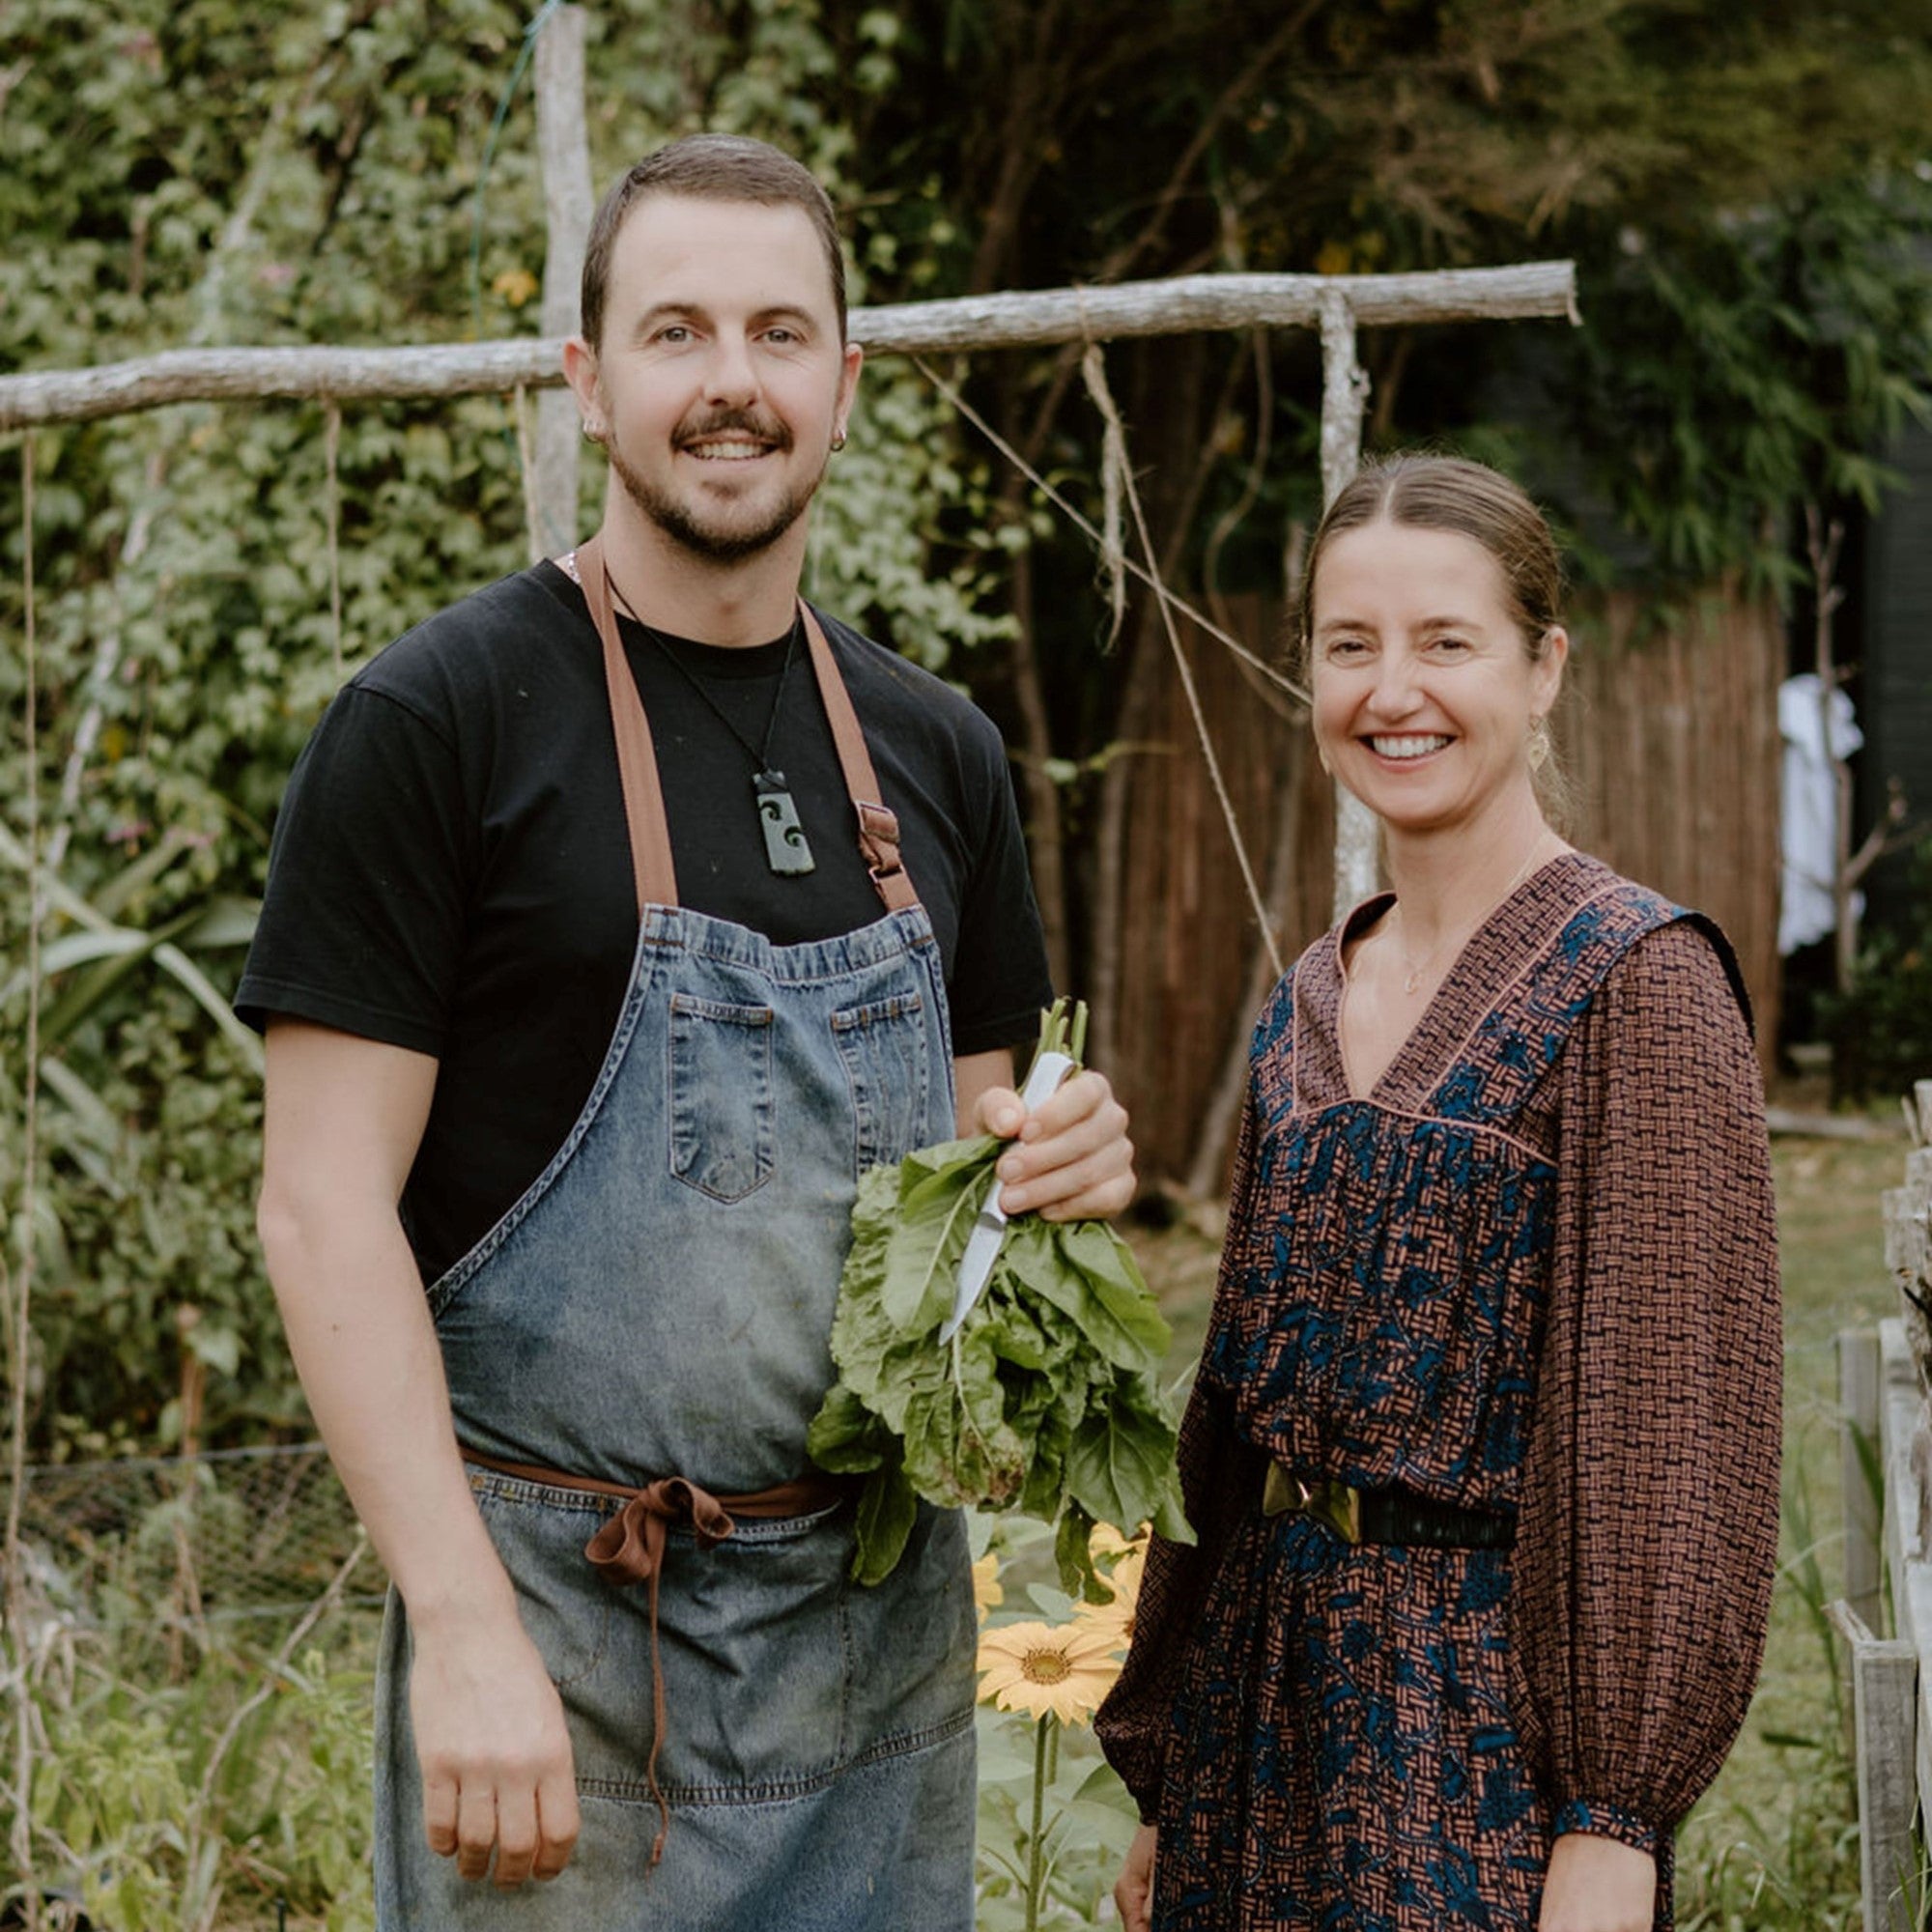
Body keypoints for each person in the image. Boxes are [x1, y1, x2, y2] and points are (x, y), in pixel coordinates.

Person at [241, 133, 1133, 1931]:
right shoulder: (439, 721)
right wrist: (465, 1635)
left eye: (780, 334)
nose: (733, 382)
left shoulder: (937, 751)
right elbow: (319, 1213)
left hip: (871, 1659)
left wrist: (1064, 1159)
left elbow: (975, 1152)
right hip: (554, 1665)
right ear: (588, 377)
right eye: (677, 332)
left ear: (846, 384)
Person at [1095, 454, 1781, 1932]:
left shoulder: (1639, 986)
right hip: (1255, 1715)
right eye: (1352, 645)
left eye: (1444, 643)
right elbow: (1230, 1412)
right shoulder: (1308, 998)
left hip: (1480, 1754)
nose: (1392, 691)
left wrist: (1614, 1819)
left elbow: (1670, 1444)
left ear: (1543, 668)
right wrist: (1160, 1765)